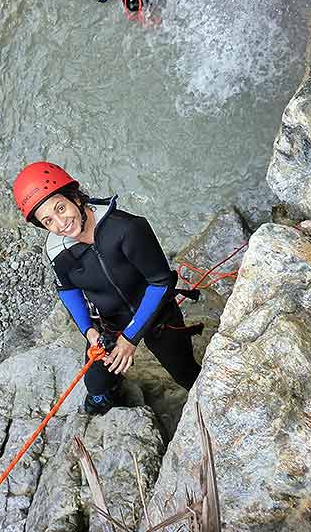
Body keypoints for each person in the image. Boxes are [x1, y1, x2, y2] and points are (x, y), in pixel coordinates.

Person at [13, 162, 203, 415]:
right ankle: (108, 394)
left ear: (75, 198)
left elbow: (160, 283)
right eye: (48, 220)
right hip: (109, 323)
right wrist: (89, 332)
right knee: (96, 384)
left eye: (61, 208)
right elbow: (68, 291)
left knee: (185, 371)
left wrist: (130, 339)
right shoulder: (57, 251)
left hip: (158, 314)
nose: (61, 223)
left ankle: (206, 398)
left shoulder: (127, 228)